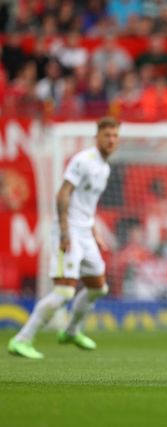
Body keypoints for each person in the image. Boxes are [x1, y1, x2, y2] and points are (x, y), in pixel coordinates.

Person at [8, 117, 120, 359]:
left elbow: (86, 205)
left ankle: (71, 330)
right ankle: (22, 339)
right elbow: (63, 194)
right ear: (97, 137)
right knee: (64, 292)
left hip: (86, 232)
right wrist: (65, 231)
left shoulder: (105, 167)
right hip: (68, 231)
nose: (111, 140)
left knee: (98, 287)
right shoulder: (83, 161)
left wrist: (95, 232)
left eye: (114, 136)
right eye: (107, 135)